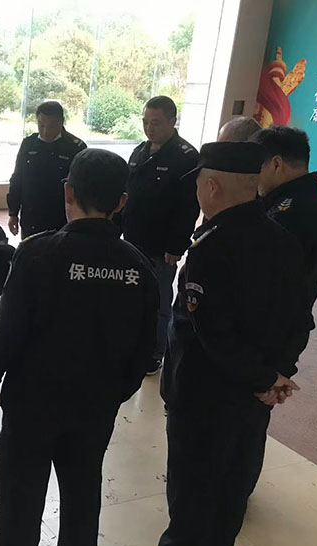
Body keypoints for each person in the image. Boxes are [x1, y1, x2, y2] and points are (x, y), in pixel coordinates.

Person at [113, 142, 310, 546]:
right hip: (255, 393)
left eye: (200, 183)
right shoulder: (282, 238)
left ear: (213, 186)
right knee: (236, 471)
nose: (198, 191)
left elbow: (212, 333)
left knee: (192, 483)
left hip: (207, 393)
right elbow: (300, 317)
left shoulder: (213, 245)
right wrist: (275, 376)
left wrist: (264, 378)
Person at [0, 148, 159, 546]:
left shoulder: (38, 253)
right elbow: (146, 348)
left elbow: (7, 328)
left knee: (20, 492)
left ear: (68, 193)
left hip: (32, 403)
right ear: (121, 202)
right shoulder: (138, 267)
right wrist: (116, 392)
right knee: (82, 493)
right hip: (94, 407)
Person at [119, 96, 199, 375]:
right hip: (133, 240)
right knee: (131, 295)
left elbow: (188, 206)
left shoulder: (186, 157)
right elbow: (127, 195)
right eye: (145, 122)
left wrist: (177, 245)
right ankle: (131, 341)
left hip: (162, 247)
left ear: (172, 122)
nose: (149, 128)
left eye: (156, 123)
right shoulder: (140, 152)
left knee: (159, 300)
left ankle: (155, 351)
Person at [251, 126, 317, 313]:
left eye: (256, 168)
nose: (254, 177)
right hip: (298, 311)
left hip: (271, 316)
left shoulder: (286, 214)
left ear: (276, 164)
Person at [7, 101, 87, 238]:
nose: (46, 131)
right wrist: (13, 213)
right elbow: (17, 178)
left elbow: (81, 187)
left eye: (52, 126)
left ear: (61, 122)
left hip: (60, 217)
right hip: (31, 215)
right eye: (41, 125)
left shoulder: (75, 148)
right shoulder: (29, 144)